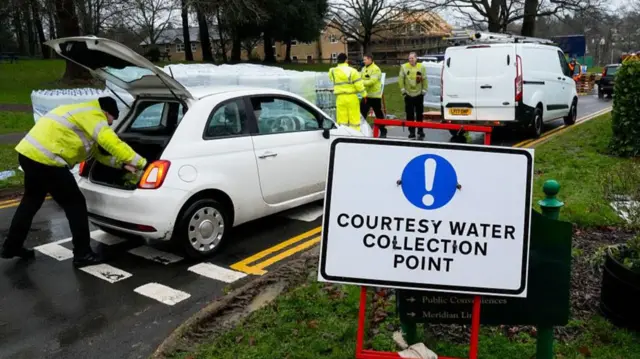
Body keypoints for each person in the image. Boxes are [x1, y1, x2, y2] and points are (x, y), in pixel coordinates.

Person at [1, 97, 148, 267]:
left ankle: (11, 247)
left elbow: (98, 154)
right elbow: (112, 143)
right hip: (47, 161)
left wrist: (123, 164)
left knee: (31, 202)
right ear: (107, 112)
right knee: (75, 204)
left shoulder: (80, 113)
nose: (110, 124)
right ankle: (82, 254)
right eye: (111, 120)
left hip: (29, 154)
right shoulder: (94, 116)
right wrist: (142, 163)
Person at [329, 53, 367, 131]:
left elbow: (332, 79)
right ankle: (355, 135)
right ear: (346, 60)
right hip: (351, 97)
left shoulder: (332, 71)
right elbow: (359, 85)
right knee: (354, 119)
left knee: (342, 119)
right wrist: (364, 95)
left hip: (340, 98)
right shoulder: (352, 71)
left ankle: (343, 135)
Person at [399, 52, 428, 139]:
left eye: (412, 58)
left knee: (419, 114)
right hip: (408, 94)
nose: (411, 60)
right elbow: (400, 79)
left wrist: (424, 90)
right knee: (409, 114)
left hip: (419, 94)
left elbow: (425, 79)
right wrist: (403, 91)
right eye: (409, 58)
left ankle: (420, 130)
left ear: (416, 58)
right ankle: (411, 132)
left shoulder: (421, 67)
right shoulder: (404, 67)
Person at [360, 53, 387, 137]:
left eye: (365, 59)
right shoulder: (363, 69)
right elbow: (360, 78)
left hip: (375, 96)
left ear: (370, 59)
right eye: (363, 59)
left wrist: (360, 82)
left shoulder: (376, 69)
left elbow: (372, 82)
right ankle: (361, 131)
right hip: (366, 96)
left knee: (378, 114)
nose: (363, 61)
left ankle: (383, 131)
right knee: (362, 114)